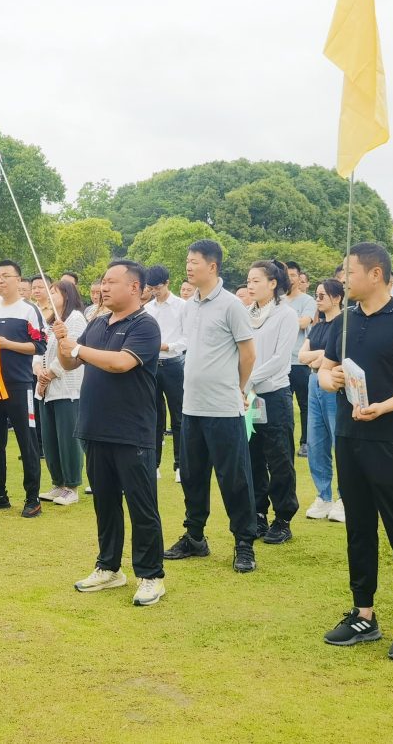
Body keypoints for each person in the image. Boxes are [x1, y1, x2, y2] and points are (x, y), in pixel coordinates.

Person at [317, 243, 393, 661]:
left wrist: (385, 406)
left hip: (389, 439)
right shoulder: (344, 321)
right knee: (359, 529)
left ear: (375, 274)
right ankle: (363, 614)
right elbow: (325, 368)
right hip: (348, 438)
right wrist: (326, 378)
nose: (342, 279)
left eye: (349, 272)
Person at [57, 260, 166, 606]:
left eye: (111, 282)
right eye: (102, 282)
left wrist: (76, 348)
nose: (103, 288)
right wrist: (64, 342)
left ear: (134, 287)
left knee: (141, 505)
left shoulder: (145, 326)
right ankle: (109, 567)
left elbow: (121, 363)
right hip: (95, 427)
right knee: (105, 503)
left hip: (132, 430)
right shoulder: (98, 322)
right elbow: (70, 364)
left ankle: (151, 576)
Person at [165, 240, 259, 573]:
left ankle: (244, 543)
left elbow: (248, 354)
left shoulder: (232, 306)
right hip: (192, 406)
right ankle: (194, 537)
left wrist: (237, 388)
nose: (189, 267)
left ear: (212, 267)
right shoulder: (189, 306)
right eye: (187, 261)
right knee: (192, 476)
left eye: (194, 262)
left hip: (223, 408)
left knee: (234, 479)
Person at [0, 260, 48, 517]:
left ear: (18, 281)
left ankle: (33, 498)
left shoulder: (28, 310)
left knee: (27, 440)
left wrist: (8, 344)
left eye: (5, 276)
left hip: (20, 385)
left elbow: (39, 346)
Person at [244, 259, 301, 544]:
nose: (250, 285)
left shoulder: (285, 314)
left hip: (274, 394)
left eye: (256, 280)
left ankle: (283, 517)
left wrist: (249, 378)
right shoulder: (245, 313)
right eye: (249, 280)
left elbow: (280, 360)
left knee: (279, 457)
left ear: (273, 283)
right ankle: (258, 514)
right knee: (252, 454)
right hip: (249, 396)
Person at [36, 278, 87, 506]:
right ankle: (57, 483)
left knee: (68, 438)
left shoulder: (75, 318)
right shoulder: (49, 322)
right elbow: (39, 351)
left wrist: (50, 374)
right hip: (46, 390)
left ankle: (72, 485)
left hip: (67, 388)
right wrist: (39, 371)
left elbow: (72, 350)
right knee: (50, 439)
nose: (50, 296)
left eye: (53, 292)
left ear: (66, 295)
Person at [299, 279, 346, 523]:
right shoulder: (317, 327)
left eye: (322, 295)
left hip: (333, 385)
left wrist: (318, 358)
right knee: (316, 442)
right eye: (316, 295)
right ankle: (323, 495)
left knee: (339, 441)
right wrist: (321, 355)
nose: (317, 299)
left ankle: (344, 497)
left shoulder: (343, 324)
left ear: (337, 298)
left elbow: (335, 358)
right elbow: (302, 355)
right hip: (313, 383)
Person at [142, 265, 187, 481]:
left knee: (178, 416)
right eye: (150, 288)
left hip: (173, 365)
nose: (154, 292)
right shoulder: (148, 308)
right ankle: (154, 464)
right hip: (152, 365)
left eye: (157, 287)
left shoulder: (181, 306)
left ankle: (179, 465)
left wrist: (167, 346)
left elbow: (187, 338)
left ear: (167, 283)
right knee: (154, 416)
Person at [283, 263, 316, 460]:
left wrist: (279, 323)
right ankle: (285, 441)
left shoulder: (307, 300)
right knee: (283, 407)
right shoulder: (278, 300)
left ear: (299, 277)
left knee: (304, 405)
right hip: (280, 363)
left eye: (293, 275)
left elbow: (304, 322)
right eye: (287, 275)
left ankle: (305, 442)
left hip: (300, 361)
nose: (290, 278)